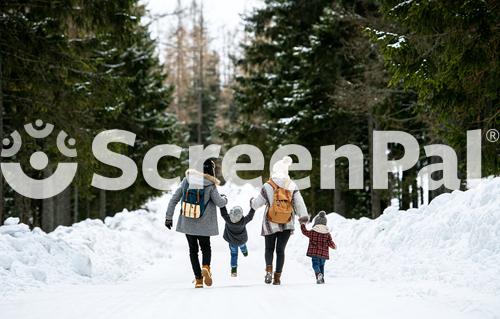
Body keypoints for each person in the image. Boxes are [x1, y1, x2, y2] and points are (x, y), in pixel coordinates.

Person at [165, 159, 227, 288]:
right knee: (205, 248)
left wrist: (168, 217)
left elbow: (174, 199)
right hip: (205, 225)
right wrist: (225, 198)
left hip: (188, 222)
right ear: (211, 170)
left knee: (193, 250)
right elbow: (220, 202)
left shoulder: (187, 181)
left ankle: (198, 280)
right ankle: (206, 267)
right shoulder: (210, 185)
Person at [250, 156, 309, 285]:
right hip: (287, 222)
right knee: (280, 250)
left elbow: (257, 203)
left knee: (269, 249)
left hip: (270, 222)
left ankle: (268, 271)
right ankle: (277, 278)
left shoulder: (268, 185)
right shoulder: (292, 185)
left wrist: (252, 203)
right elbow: (299, 203)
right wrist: (303, 218)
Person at [300, 211, 336, 284]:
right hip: (324, 254)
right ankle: (321, 279)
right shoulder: (327, 234)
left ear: (316, 222)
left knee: (315, 265)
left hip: (315, 253)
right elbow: (330, 242)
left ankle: (319, 274)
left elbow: (305, 232)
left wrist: (302, 224)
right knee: (322, 265)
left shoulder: (313, 232)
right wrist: (334, 246)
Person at [219, 202, 255, 277]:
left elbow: (223, 213)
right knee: (243, 246)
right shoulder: (243, 221)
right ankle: (244, 252)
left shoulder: (228, 220)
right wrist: (253, 207)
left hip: (232, 242)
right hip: (242, 240)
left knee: (234, 254)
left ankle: (234, 270)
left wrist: (222, 203)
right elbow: (250, 216)